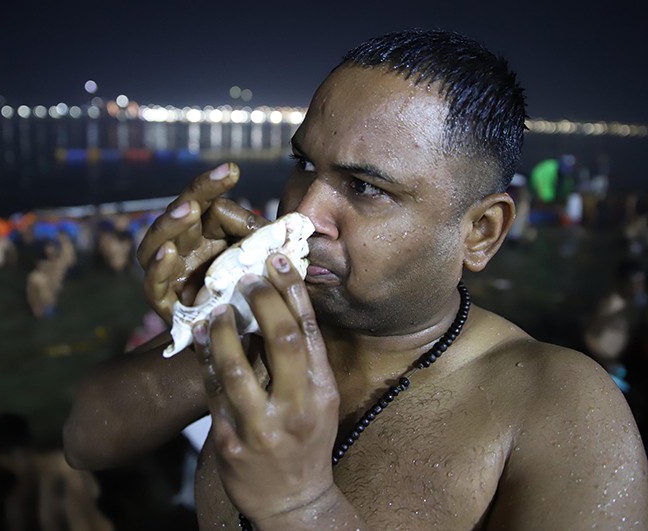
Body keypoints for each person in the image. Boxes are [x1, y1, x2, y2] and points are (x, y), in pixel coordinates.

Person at [63, 29, 648, 530]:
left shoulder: (560, 407)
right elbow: (86, 437)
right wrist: (208, 315)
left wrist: (302, 508)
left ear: (481, 233)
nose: (303, 213)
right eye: (304, 167)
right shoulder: (266, 328)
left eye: (365, 187)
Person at [0, 412, 114, 531]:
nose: (7, 465)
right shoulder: (18, 498)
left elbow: (85, 524)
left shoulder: (63, 469)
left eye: (8, 457)